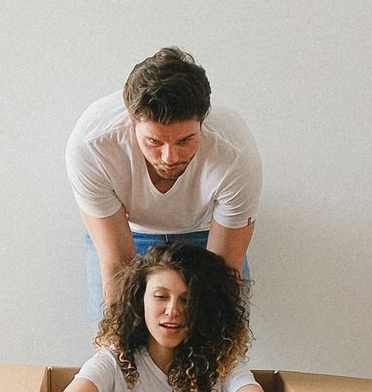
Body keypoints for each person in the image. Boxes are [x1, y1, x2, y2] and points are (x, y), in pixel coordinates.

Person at [66, 46, 261, 327]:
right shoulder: (92, 145)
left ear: (203, 121)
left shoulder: (235, 152)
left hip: (206, 232)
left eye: (184, 141)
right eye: (154, 142)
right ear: (132, 122)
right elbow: (118, 265)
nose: (170, 158)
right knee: (116, 333)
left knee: (216, 331)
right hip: (129, 233)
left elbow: (221, 274)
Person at [58, 239, 274, 392]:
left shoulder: (223, 365)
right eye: (161, 296)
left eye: (186, 300)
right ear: (140, 300)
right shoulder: (116, 359)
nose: (172, 311)